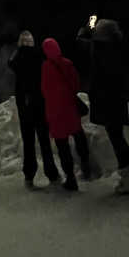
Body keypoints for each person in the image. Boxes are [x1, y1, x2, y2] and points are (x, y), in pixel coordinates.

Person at [77, 18, 129, 195]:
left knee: (117, 139)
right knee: (118, 138)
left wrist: (91, 20)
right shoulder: (118, 48)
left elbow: (82, 39)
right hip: (117, 100)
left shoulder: (101, 51)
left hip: (108, 101)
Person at [8, 31, 60, 187]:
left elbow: (10, 63)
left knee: (28, 142)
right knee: (44, 141)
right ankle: (52, 175)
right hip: (39, 104)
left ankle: (29, 176)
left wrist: (18, 50)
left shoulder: (17, 58)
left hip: (24, 105)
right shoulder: (38, 55)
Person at [40, 38, 92, 192]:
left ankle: (71, 178)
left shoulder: (45, 67)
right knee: (78, 135)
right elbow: (76, 84)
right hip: (69, 108)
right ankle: (86, 167)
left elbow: (44, 90)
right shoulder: (67, 63)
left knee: (63, 146)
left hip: (55, 112)